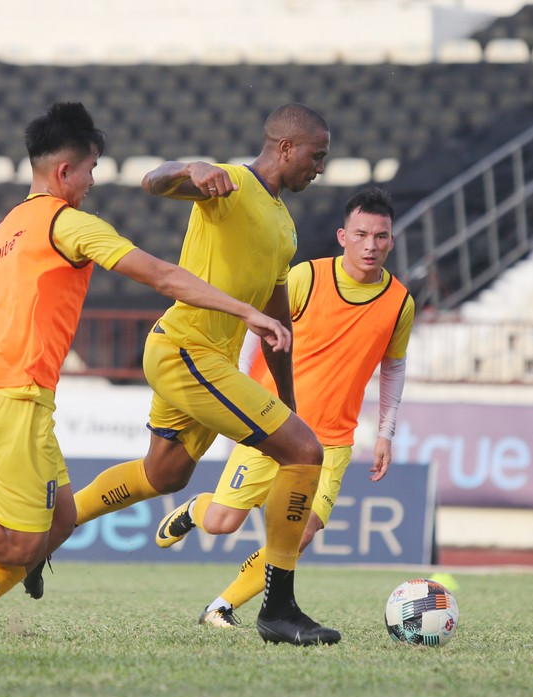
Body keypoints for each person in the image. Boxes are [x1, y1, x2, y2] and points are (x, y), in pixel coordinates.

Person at [0, 102, 291, 644]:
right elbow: (163, 275)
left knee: (61, 521)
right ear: (66, 170)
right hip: (14, 394)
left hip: (12, 388)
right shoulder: (67, 224)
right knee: (20, 543)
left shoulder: (7, 227)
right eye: (91, 168)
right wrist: (247, 311)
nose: (93, 181)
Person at [30, 102, 338, 646]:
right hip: (186, 350)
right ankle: (279, 608)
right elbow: (154, 181)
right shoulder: (228, 186)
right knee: (304, 453)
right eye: (317, 155)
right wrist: (190, 167)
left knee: (164, 475)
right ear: (286, 147)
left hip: (203, 360)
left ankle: (45, 534)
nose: (320, 167)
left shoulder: (285, 228)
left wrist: (287, 399)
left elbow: (276, 318)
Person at [154, 187, 414, 628]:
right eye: (362, 234)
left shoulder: (399, 302)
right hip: (273, 427)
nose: (371, 245)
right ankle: (198, 508)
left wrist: (386, 432)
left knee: (302, 531)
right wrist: (236, 394)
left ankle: (221, 607)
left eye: (381, 236)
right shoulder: (306, 277)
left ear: (391, 240)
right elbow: (256, 331)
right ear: (342, 236)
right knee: (222, 522)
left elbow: (394, 368)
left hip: (330, 441)